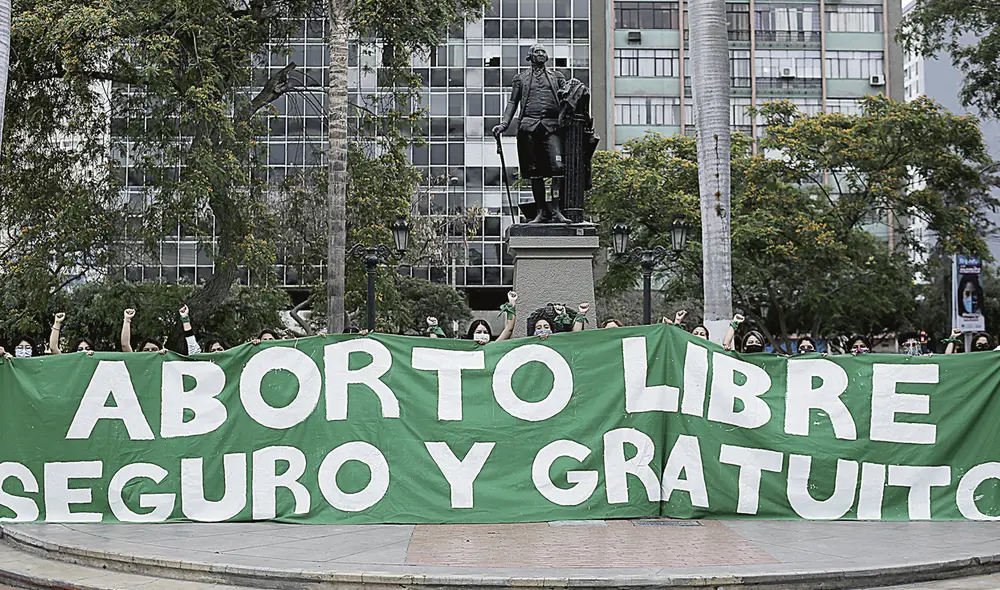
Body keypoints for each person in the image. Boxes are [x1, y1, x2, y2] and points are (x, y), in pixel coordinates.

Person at [492, 44, 571, 223]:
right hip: (529, 127)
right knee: (535, 171)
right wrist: (504, 124)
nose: (541, 54)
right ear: (530, 56)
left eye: (543, 51)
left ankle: (557, 210)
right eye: (537, 51)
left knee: (558, 168)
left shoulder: (557, 76)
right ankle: (541, 211)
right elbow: (513, 102)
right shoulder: (520, 79)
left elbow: (568, 97)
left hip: (552, 127)